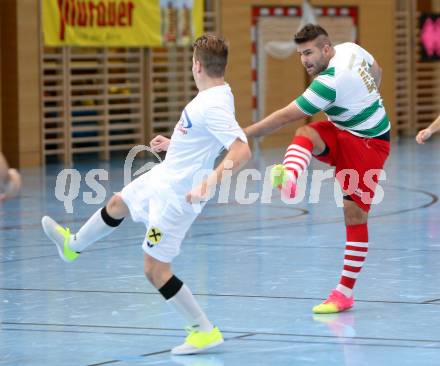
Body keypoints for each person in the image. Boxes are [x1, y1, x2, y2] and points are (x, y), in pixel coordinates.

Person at [41, 34, 251, 354]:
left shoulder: (212, 105)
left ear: (196, 65)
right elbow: (208, 139)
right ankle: (73, 246)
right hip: (163, 177)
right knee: (117, 203)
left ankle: (203, 330)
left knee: (154, 270)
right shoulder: (218, 94)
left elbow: (242, 149)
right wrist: (175, 144)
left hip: (176, 199)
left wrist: (208, 182)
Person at [244, 24, 390, 314]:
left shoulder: (330, 82)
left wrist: (244, 133)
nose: (304, 60)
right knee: (307, 134)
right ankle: (290, 177)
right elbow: (377, 69)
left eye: (309, 53)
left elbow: (283, 116)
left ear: (326, 49)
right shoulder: (350, 48)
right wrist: (367, 99)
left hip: (370, 143)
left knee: (354, 214)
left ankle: (344, 292)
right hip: (345, 130)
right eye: (300, 54)